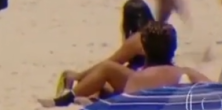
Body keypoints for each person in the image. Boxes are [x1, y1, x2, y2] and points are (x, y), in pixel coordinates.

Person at [38, 22, 210, 107]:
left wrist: (93, 106)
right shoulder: (188, 75)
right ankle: (68, 99)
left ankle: (65, 100)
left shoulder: (138, 80)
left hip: (139, 96)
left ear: (144, 47)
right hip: (178, 92)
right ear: (174, 47)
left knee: (107, 70)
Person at [55, 0, 154, 98]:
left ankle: (68, 98)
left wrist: (80, 76)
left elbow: (113, 62)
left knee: (102, 78)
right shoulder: (156, 32)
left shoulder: (137, 39)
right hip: (156, 80)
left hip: (143, 85)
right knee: (102, 82)